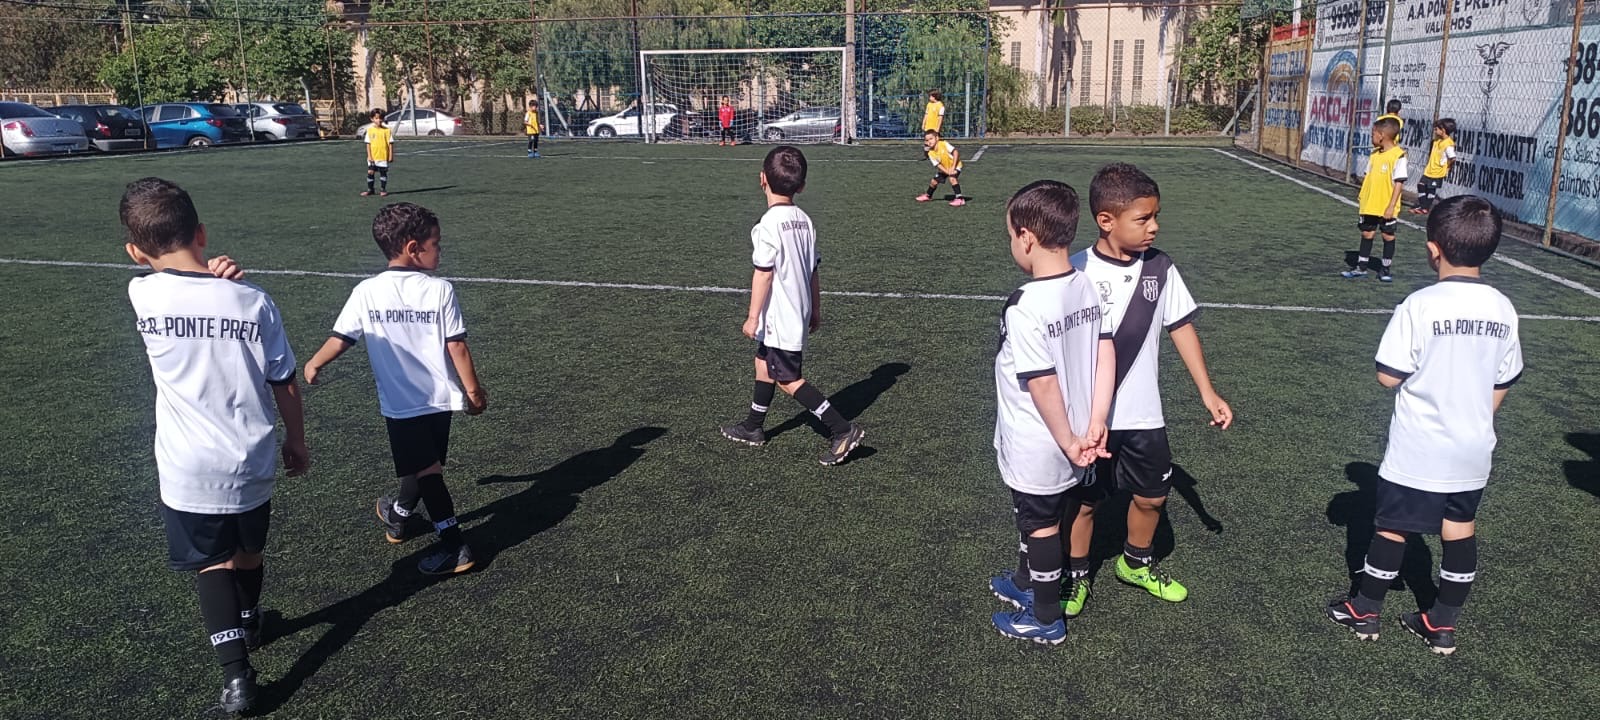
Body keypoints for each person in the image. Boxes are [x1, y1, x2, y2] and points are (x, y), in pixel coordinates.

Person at [121, 177, 309, 713]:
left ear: (134, 251)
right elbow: (284, 381)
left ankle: (237, 677)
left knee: (212, 564)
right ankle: (249, 621)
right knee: (249, 551)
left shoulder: (141, 293)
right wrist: (297, 441)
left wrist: (205, 273)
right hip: (253, 457)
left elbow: (168, 277)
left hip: (188, 467)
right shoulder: (254, 301)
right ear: (201, 233)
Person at [1325, 195, 1523, 656]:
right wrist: (1476, 417)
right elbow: (1504, 378)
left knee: (1392, 526)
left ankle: (1366, 610)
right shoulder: (1503, 307)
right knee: (1460, 525)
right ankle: (1442, 623)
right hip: (1473, 448)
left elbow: (1387, 376)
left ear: (1433, 250)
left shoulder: (1420, 305)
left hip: (1419, 447)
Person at [1061, 163, 1233, 616]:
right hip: (1089, 419)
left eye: (1156, 216)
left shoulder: (1160, 267)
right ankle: (1075, 575)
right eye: (1143, 219)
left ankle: (1135, 562)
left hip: (1144, 415)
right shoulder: (1075, 270)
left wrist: (1207, 392)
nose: (1154, 226)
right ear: (1106, 220)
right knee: (1083, 503)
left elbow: (1181, 327)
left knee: (1153, 496)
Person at [304, 202, 489, 575]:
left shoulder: (366, 291)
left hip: (402, 405)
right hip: (439, 401)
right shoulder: (440, 289)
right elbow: (456, 346)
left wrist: (314, 362)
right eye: (436, 243)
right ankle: (399, 514)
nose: (440, 250)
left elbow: (342, 338)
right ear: (413, 248)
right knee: (422, 465)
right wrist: (473, 392)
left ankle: (455, 547)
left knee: (427, 472)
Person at [986, 179, 1115, 645]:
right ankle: (1026, 582)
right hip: (1076, 434)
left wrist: (1067, 442)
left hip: (1042, 442)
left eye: (1010, 235)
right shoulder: (1085, 284)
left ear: (1026, 238)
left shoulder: (1025, 305)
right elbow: (1105, 353)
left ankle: (1045, 618)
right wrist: (1096, 422)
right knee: (1039, 514)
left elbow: (1041, 383)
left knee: (1040, 524)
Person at [718, 146, 866, 466]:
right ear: (801, 186)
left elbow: (764, 274)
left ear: (762, 179)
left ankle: (842, 429)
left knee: (787, 379)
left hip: (780, 317)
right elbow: (813, 270)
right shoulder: (804, 221)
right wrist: (816, 308)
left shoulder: (767, 224)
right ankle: (753, 427)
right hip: (795, 310)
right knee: (763, 363)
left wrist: (752, 317)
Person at [1343, 117, 1407, 282]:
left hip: (1386, 206)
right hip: (1370, 203)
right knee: (1367, 233)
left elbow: (1399, 183)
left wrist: (1391, 206)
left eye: (1373, 134)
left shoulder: (1398, 156)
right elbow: (1368, 176)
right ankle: (1361, 267)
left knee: (1387, 235)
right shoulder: (1374, 154)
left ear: (1382, 135)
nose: (1371, 137)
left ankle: (1385, 269)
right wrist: (1363, 195)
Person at [1413, 118, 1457, 215]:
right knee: (1421, 185)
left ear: (1443, 130)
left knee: (1431, 189)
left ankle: (1425, 208)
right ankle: (1423, 206)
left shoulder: (1448, 144)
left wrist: (1447, 167)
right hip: (1430, 169)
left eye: (1437, 129)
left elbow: (1453, 158)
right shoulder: (1438, 140)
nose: (1435, 130)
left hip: (1438, 171)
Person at [916, 130, 966, 207]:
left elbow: (955, 152)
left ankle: (960, 199)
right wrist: (947, 172)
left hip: (956, 165)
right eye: (927, 140)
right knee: (934, 182)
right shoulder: (930, 153)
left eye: (931, 139)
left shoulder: (944, 144)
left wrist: (953, 167)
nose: (929, 141)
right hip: (945, 168)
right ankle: (928, 196)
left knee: (952, 178)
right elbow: (938, 165)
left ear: (937, 138)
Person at [364, 109, 394, 197]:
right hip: (373, 157)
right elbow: (368, 144)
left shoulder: (387, 130)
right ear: (372, 119)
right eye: (376, 118)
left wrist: (391, 155)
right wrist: (369, 156)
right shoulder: (370, 130)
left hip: (383, 156)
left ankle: (383, 190)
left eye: (381, 118)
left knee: (383, 173)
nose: (379, 120)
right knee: (370, 172)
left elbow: (390, 143)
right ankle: (370, 190)